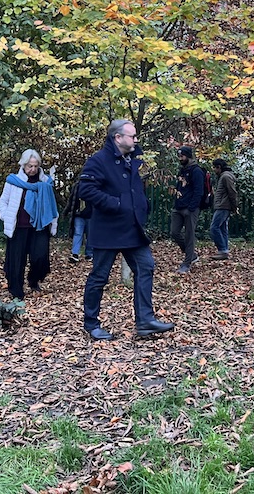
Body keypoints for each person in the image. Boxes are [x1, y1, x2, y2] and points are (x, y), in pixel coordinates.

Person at [79, 119, 175, 341]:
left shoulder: (131, 159)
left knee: (146, 266)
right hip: (108, 230)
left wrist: (141, 207)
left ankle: (145, 321)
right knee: (99, 277)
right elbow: (86, 190)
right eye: (132, 136)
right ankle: (91, 324)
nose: (136, 140)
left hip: (132, 229)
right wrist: (117, 204)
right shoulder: (98, 161)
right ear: (118, 137)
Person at [0, 149, 59, 300]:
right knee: (17, 260)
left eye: (36, 166)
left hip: (39, 227)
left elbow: (51, 205)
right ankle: (16, 290)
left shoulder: (45, 183)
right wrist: (6, 216)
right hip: (19, 227)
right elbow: (2, 202)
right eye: (30, 166)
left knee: (40, 257)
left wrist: (53, 222)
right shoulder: (14, 181)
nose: (33, 169)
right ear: (23, 165)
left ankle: (33, 280)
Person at [170, 145, 204, 274]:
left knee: (189, 236)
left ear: (188, 156)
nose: (180, 158)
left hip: (190, 209)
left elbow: (198, 191)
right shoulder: (181, 171)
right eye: (179, 156)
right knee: (174, 232)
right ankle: (192, 255)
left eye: (182, 156)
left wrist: (191, 208)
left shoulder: (197, 171)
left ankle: (187, 263)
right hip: (178, 207)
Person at [209, 158, 238, 260]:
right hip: (224, 205)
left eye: (214, 167)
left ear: (219, 167)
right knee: (222, 228)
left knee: (214, 228)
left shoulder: (225, 177)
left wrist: (234, 207)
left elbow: (232, 192)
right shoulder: (224, 176)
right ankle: (224, 250)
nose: (214, 170)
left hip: (223, 206)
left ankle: (222, 250)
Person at [65, 178, 93, 262]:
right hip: (79, 214)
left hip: (90, 215)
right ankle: (75, 254)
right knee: (77, 233)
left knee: (90, 234)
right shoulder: (77, 186)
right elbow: (71, 200)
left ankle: (89, 254)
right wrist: (67, 210)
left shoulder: (94, 186)